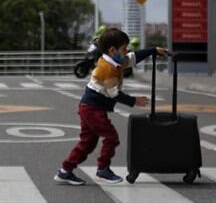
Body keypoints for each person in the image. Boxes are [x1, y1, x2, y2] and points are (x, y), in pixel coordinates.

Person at [54, 27, 168, 185]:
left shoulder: (114, 60)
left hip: (89, 107)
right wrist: (134, 101)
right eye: (124, 48)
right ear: (113, 50)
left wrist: (153, 50)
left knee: (87, 143)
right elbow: (115, 94)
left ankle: (65, 171)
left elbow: (133, 58)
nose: (126, 50)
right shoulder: (108, 69)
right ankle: (102, 169)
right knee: (111, 137)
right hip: (92, 108)